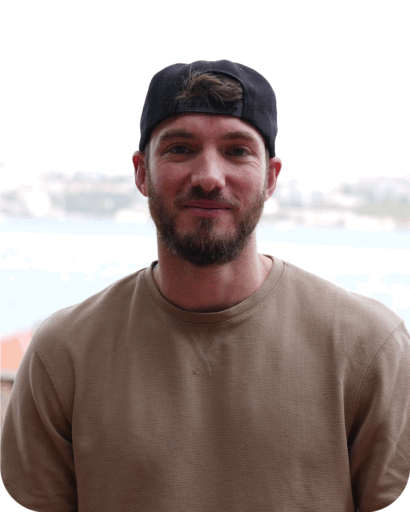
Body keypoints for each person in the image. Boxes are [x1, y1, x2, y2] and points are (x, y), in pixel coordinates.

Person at [1, 59, 409, 512]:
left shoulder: (369, 347)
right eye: (180, 149)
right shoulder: (64, 353)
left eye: (237, 151)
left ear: (271, 177)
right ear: (141, 172)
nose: (209, 177)